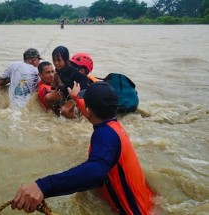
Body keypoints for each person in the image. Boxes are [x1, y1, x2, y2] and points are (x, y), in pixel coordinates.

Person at [11, 82, 154, 215]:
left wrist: (43, 186)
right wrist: (75, 97)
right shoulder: (113, 127)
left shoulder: (105, 135)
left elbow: (96, 172)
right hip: (147, 204)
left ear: (88, 110)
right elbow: (89, 111)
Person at [47, 46, 91, 118]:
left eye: (58, 60)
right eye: (54, 60)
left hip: (75, 96)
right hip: (65, 93)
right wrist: (54, 89)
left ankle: (74, 121)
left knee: (65, 111)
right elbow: (60, 84)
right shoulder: (59, 69)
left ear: (66, 60)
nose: (56, 63)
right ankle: (56, 115)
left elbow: (83, 85)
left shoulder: (71, 71)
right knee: (48, 97)